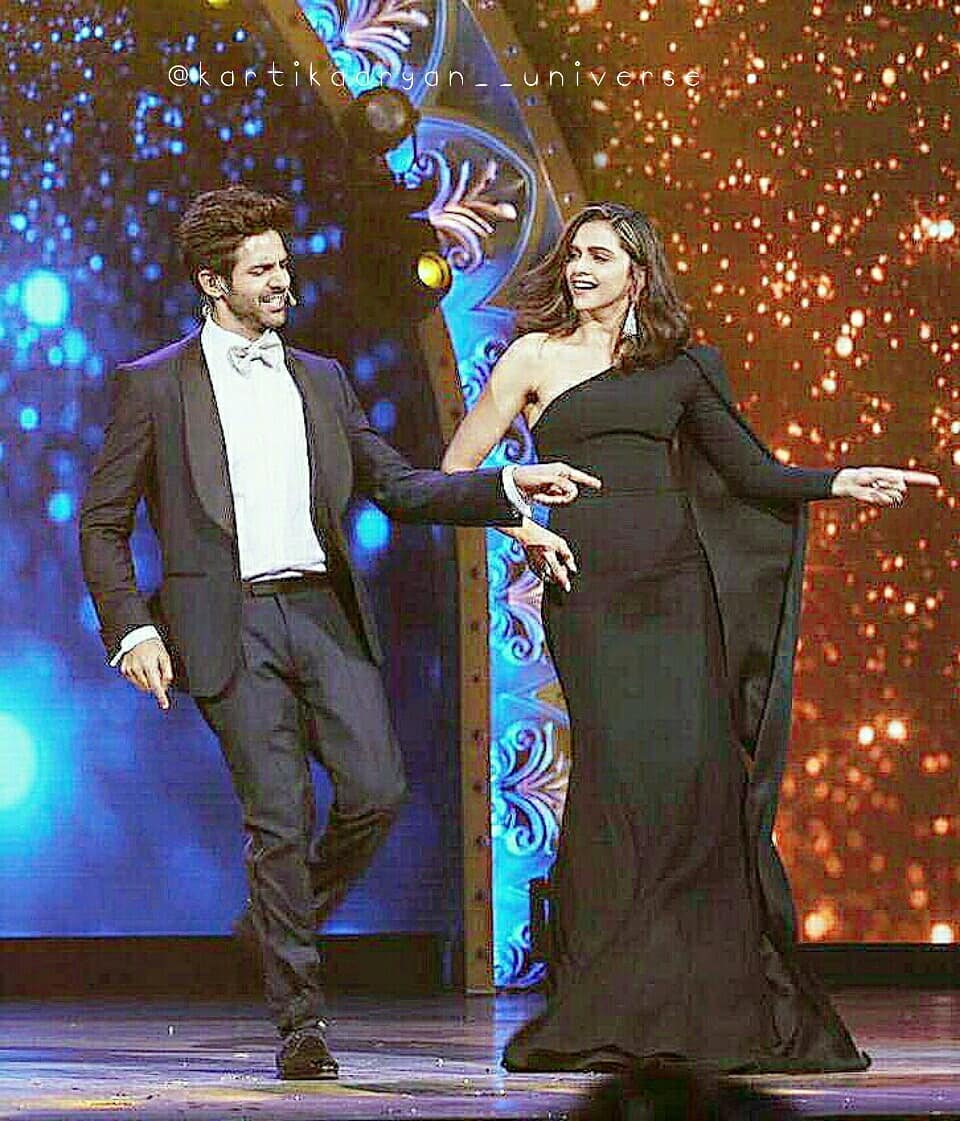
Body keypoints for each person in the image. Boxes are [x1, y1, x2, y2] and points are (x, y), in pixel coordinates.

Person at [78, 185, 600, 1081]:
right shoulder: (154, 384)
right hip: (227, 624)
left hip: (322, 611)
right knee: (279, 816)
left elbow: (398, 486)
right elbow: (102, 524)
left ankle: (276, 919)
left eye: (284, 264)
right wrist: (133, 631)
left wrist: (507, 487)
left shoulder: (320, 378)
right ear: (213, 282)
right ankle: (301, 1020)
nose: (283, 281)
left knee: (378, 791)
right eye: (262, 270)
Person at [441, 201, 940, 1073]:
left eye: (601, 255)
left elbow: (752, 472)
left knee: (696, 784)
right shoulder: (532, 357)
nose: (580, 267)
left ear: (638, 272)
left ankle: (700, 1000)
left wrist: (838, 480)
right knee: (616, 783)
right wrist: (523, 527)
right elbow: (457, 471)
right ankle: (609, 998)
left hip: (675, 597)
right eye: (575, 254)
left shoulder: (684, 366)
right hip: (588, 597)